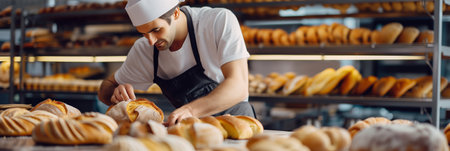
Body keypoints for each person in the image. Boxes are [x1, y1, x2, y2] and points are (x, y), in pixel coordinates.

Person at [98, 0, 254, 126]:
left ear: (176, 13)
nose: (151, 41)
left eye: (156, 30)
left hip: (237, 124)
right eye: (143, 33)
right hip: (192, 131)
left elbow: (238, 86)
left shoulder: (217, 21)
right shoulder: (144, 49)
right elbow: (106, 87)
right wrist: (115, 93)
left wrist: (191, 111)